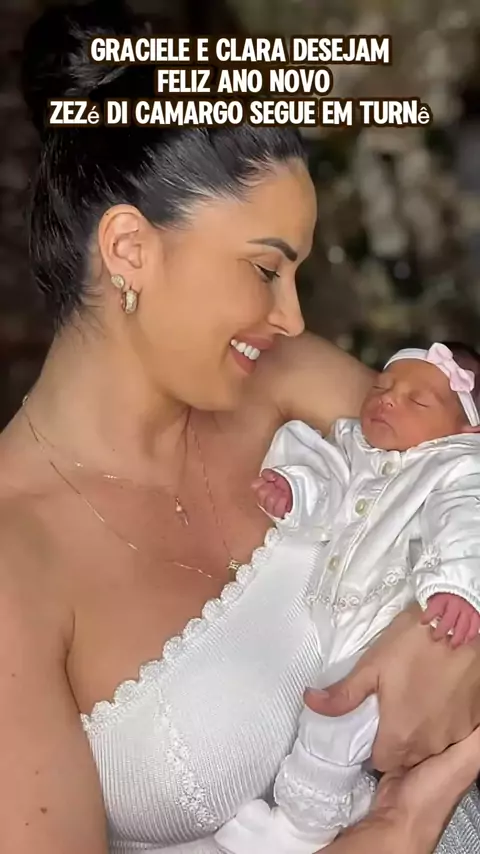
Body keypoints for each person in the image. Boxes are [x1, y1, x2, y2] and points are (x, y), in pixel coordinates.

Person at [1, 2, 480, 852]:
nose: (291, 318)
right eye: (265, 269)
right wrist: (399, 827)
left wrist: (456, 645)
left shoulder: (287, 384)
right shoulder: (17, 560)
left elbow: (461, 476)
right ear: (129, 248)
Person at [215, 341, 480, 854]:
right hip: (341, 623)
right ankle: (349, 802)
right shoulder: (356, 447)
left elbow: (468, 524)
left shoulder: (457, 468)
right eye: (381, 387)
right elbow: (331, 486)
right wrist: (295, 492)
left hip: (395, 626)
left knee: (336, 722)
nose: (387, 399)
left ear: (467, 430)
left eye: (417, 401)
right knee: (323, 711)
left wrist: (460, 588)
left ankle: (302, 826)